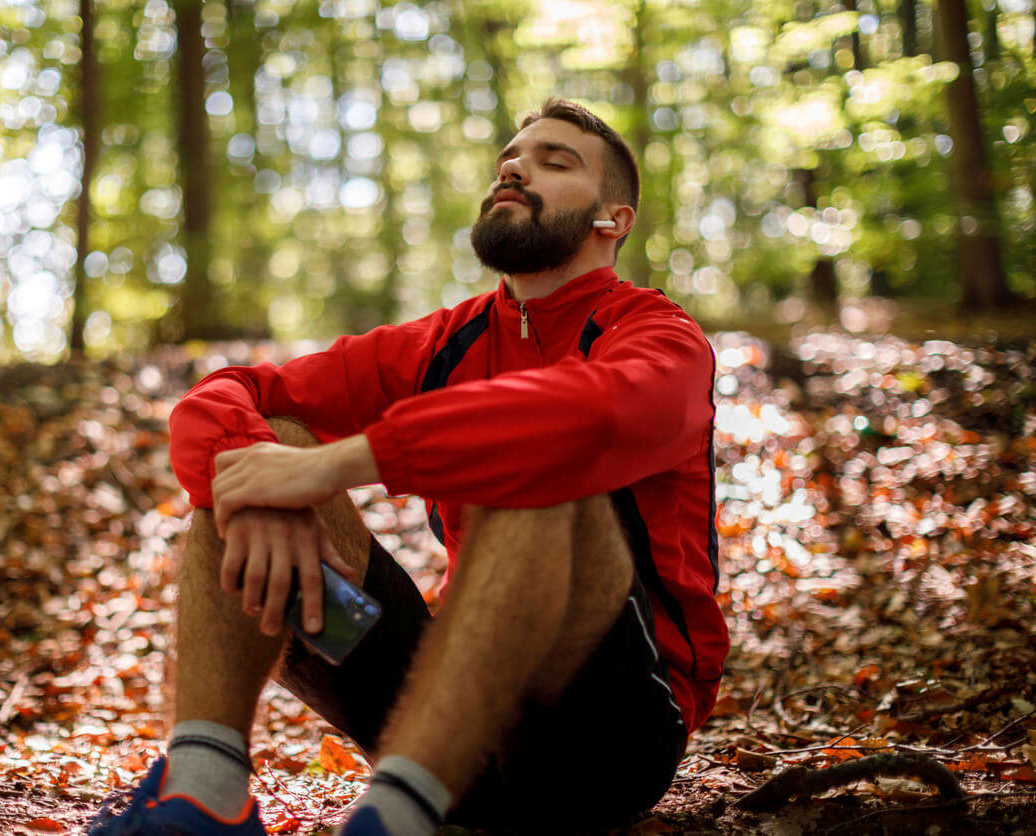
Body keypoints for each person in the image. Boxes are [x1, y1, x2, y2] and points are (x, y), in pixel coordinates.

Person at [89, 99, 728, 836]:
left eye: (555, 162)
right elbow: (233, 394)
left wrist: (347, 461)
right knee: (263, 448)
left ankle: (395, 817)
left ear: (612, 220)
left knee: (538, 463)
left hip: (608, 738)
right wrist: (259, 481)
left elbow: (600, 415)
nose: (515, 168)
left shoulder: (657, 334)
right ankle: (204, 794)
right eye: (509, 160)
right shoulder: (446, 342)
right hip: (448, 723)